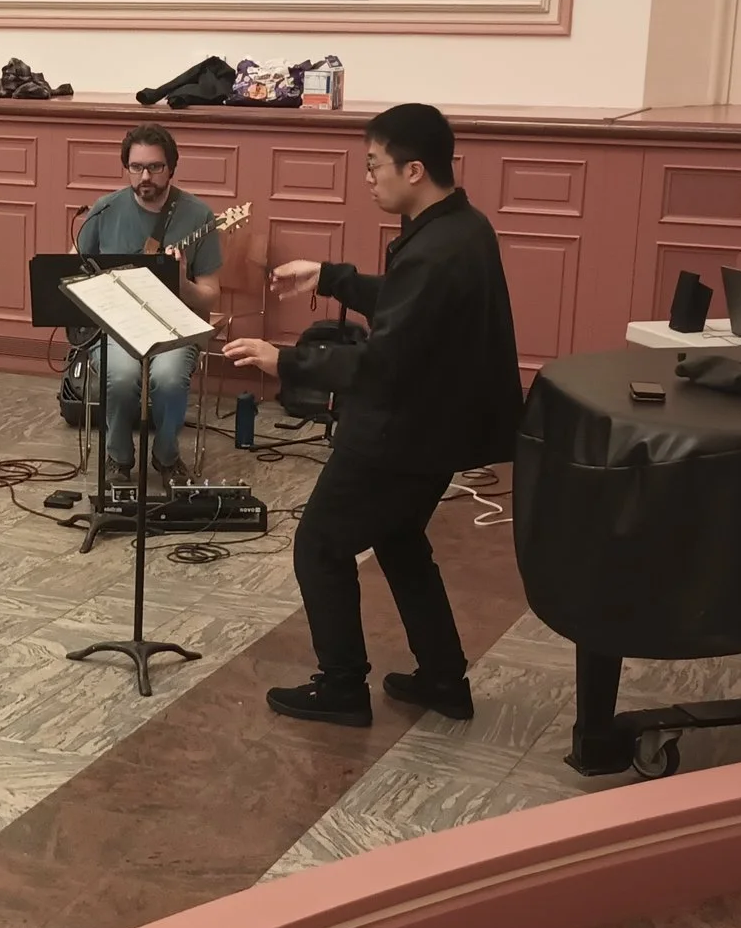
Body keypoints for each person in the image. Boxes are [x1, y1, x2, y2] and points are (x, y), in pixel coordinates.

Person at [223, 103, 521, 727]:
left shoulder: (438, 249)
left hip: (401, 434)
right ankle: (443, 679)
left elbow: (383, 365)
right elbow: (408, 305)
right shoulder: (461, 228)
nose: (367, 178)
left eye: (374, 165)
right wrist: (330, 277)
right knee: (400, 541)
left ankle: (342, 686)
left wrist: (288, 361)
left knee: (320, 546)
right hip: (435, 430)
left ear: (413, 169)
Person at [73, 124, 223, 482]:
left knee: (170, 377)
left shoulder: (198, 216)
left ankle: (166, 456)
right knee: (121, 375)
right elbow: (73, 274)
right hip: (116, 326)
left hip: (175, 327)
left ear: (171, 168)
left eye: (155, 167)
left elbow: (209, 296)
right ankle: (119, 458)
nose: (145, 176)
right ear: (126, 167)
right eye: (136, 167)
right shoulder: (103, 211)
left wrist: (182, 281)